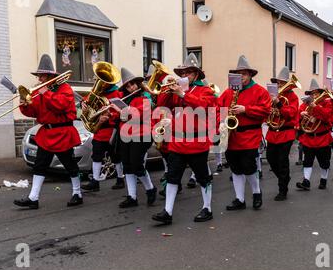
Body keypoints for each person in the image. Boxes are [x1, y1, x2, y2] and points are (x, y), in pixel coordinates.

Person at [152, 53, 216, 225]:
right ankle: (167, 211)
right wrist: (167, 90)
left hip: (197, 142)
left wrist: (183, 94)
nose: (184, 76)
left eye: (188, 72)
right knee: (173, 177)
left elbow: (205, 106)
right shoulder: (175, 91)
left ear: (195, 74)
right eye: (182, 73)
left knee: (203, 178)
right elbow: (161, 106)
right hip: (177, 142)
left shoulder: (205, 90)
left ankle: (207, 208)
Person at [14, 54, 83, 209]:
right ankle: (33, 198)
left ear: (51, 76)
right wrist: (24, 103)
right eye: (39, 76)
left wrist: (46, 93)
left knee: (70, 166)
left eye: (42, 76)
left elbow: (60, 106)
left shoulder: (65, 88)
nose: (39, 80)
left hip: (63, 132)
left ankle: (77, 193)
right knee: (40, 165)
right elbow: (33, 112)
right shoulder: (39, 92)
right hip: (46, 133)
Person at [220, 55, 271, 211]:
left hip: (250, 136)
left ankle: (256, 192)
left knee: (249, 167)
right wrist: (222, 118)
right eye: (238, 74)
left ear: (250, 75)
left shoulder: (260, 91)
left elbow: (266, 110)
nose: (241, 77)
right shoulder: (228, 92)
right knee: (235, 168)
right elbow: (218, 108)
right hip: (231, 136)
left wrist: (246, 109)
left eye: (244, 74)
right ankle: (239, 199)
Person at [113, 68, 157, 208]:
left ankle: (150, 189)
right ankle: (132, 196)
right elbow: (119, 118)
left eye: (133, 84)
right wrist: (113, 112)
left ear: (138, 84)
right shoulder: (124, 99)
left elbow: (140, 115)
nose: (131, 87)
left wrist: (123, 112)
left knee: (137, 164)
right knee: (127, 166)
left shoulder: (145, 97)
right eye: (128, 85)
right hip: (126, 134)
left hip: (141, 134)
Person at [81, 74, 125, 192]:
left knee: (116, 156)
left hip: (111, 130)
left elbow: (122, 111)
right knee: (96, 156)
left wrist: (110, 115)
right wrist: (83, 104)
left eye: (103, 80)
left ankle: (120, 179)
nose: (99, 82)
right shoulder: (97, 92)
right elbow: (87, 99)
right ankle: (95, 181)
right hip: (99, 130)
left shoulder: (118, 93)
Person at [266, 67, 299, 201]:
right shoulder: (273, 95)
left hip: (286, 133)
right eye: (278, 83)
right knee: (270, 159)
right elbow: (266, 111)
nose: (279, 85)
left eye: (282, 83)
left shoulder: (292, 97)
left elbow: (290, 113)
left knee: (282, 161)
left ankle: (282, 190)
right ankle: (284, 177)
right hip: (272, 132)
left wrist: (278, 104)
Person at [296, 79, 333, 191]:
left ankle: (323, 179)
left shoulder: (327, 103)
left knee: (324, 162)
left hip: (322, 137)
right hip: (309, 138)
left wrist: (316, 107)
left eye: (316, 93)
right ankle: (306, 181)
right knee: (307, 161)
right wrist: (301, 114)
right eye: (312, 94)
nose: (314, 95)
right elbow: (297, 116)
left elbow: (327, 117)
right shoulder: (305, 105)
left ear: (321, 93)